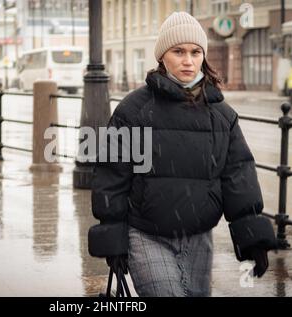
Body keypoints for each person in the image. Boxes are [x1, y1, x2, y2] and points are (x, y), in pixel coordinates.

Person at [88, 11, 277, 297]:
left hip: (200, 239)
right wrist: (113, 238)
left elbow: (238, 175)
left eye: (195, 52)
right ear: (163, 56)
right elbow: (111, 177)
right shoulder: (132, 110)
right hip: (145, 236)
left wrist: (252, 236)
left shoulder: (222, 115)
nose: (188, 60)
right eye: (179, 51)